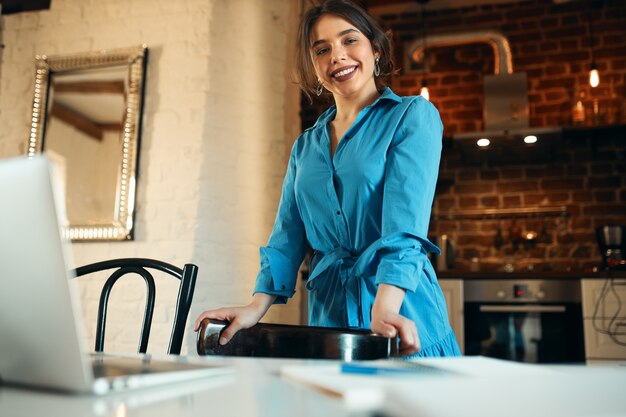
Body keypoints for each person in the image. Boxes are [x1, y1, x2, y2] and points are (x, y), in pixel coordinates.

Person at [195, 0, 461, 358]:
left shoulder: (413, 117)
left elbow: (404, 228)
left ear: (376, 50)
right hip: (329, 318)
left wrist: (385, 306)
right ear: (315, 66)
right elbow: (286, 238)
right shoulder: (306, 146)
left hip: (400, 311)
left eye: (349, 40)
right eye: (322, 49)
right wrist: (254, 307)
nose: (337, 55)